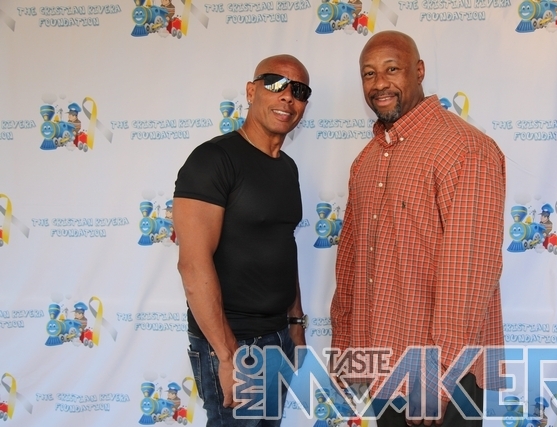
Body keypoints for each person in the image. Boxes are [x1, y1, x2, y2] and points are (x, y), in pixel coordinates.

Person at [330, 31, 506, 427]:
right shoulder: (366, 160)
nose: (379, 83)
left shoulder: (464, 148)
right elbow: (352, 265)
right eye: (369, 73)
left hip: (442, 377)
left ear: (419, 70)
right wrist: (347, 353)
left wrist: (438, 379)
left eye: (392, 69)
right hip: (381, 368)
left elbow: (469, 274)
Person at [173, 54, 312, 426]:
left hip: (278, 338)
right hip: (235, 343)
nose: (288, 97)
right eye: (276, 84)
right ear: (251, 92)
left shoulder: (287, 167)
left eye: (299, 91)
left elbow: (283, 246)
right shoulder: (213, 160)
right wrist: (226, 353)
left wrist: (295, 324)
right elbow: (193, 265)